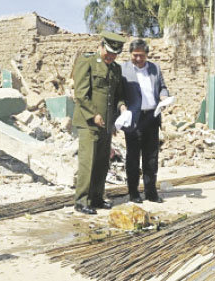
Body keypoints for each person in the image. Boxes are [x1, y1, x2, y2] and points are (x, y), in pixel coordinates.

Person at [73, 31, 127, 214]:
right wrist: (94, 115)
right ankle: (81, 201)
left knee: (102, 163)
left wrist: (122, 109)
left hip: (107, 124)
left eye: (115, 55)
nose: (111, 57)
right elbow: (80, 94)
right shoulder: (87, 62)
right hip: (89, 123)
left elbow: (117, 97)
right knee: (87, 163)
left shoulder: (116, 69)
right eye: (109, 53)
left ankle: (96, 198)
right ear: (102, 46)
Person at [120, 39, 169, 204]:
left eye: (142, 56)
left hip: (152, 117)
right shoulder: (123, 69)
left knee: (151, 158)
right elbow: (118, 94)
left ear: (147, 55)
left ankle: (151, 192)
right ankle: (133, 192)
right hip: (134, 119)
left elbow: (163, 87)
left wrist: (164, 97)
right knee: (133, 158)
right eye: (135, 55)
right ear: (130, 54)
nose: (139, 59)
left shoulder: (155, 68)